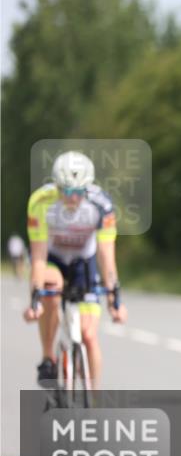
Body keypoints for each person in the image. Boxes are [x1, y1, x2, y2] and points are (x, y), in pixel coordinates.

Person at [22, 151, 127, 387]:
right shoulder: (40, 202)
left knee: (88, 335)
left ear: (88, 187)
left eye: (79, 192)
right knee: (52, 286)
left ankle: (94, 401)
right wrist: (35, 301)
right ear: (57, 186)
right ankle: (48, 358)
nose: (73, 198)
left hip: (83, 261)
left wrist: (114, 300)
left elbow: (106, 255)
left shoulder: (102, 204)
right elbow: (38, 257)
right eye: (67, 191)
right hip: (52, 258)